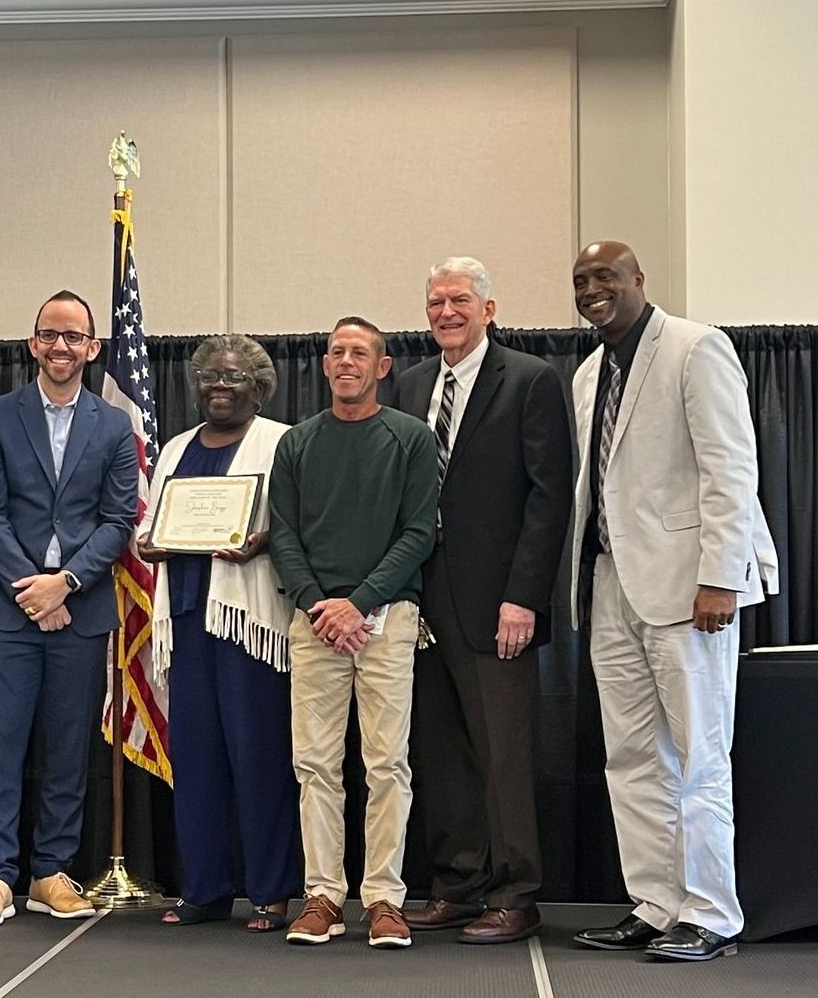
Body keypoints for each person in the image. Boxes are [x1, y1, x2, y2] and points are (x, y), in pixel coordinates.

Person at [569, 241, 778, 962]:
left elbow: (730, 465)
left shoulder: (695, 347)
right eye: (579, 281)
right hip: (609, 585)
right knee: (629, 757)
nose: (591, 289)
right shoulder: (590, 370)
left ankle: (711, 912)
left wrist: (720, 575)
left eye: (604, 277)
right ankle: (656, 903)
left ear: (636, 281)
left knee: (697, 755)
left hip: (690, 588)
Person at [394, 257, 573, 944]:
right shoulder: (410, 386)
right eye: (435, 300)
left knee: (503, 754)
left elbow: (548, 496)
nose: (445, 311)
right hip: (419, 601)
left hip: (497, 602)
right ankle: (458, 885)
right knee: (441, 753)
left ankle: (516, 892)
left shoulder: (530, 380)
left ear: (489, 309)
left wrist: (523, 597)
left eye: (459, 300)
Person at [0, 289, 138, 928]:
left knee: (67, 749)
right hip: (7, 610)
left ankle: (50, 873)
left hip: (80, 610)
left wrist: (64, 583)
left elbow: (118, 520)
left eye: (74, 337)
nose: (60, 346)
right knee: (0, 746)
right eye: (49, 335)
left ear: (92, 348)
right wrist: (34, 590)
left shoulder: (114, 425)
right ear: (33, 343)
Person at [269, 316, 438, 950]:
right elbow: (282, 533)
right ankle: (322, 896)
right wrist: (321, 606)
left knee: (386, 763)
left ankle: (384, 899)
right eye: (337, 351)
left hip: (389, 620)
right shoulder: (297, 444)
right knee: (314, 764)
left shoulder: (411, 440)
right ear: (324, 364)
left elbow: (419, 532)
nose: (347, 361)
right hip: (315, 624)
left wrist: (360, 603)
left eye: (360, 352)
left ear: (382, 367)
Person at [137, 335, 299, 933]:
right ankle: (203, 889)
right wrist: (146, 543)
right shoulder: (177, 448)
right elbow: (153, 526)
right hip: (184, 622)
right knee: (197, 760)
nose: (219, 386)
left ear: (258, 386)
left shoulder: (281, 442)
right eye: (208, 376)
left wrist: (264, 542)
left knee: (260, 758)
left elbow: (294, 525)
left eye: (233, 377)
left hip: (248, 624)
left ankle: (270, 890)